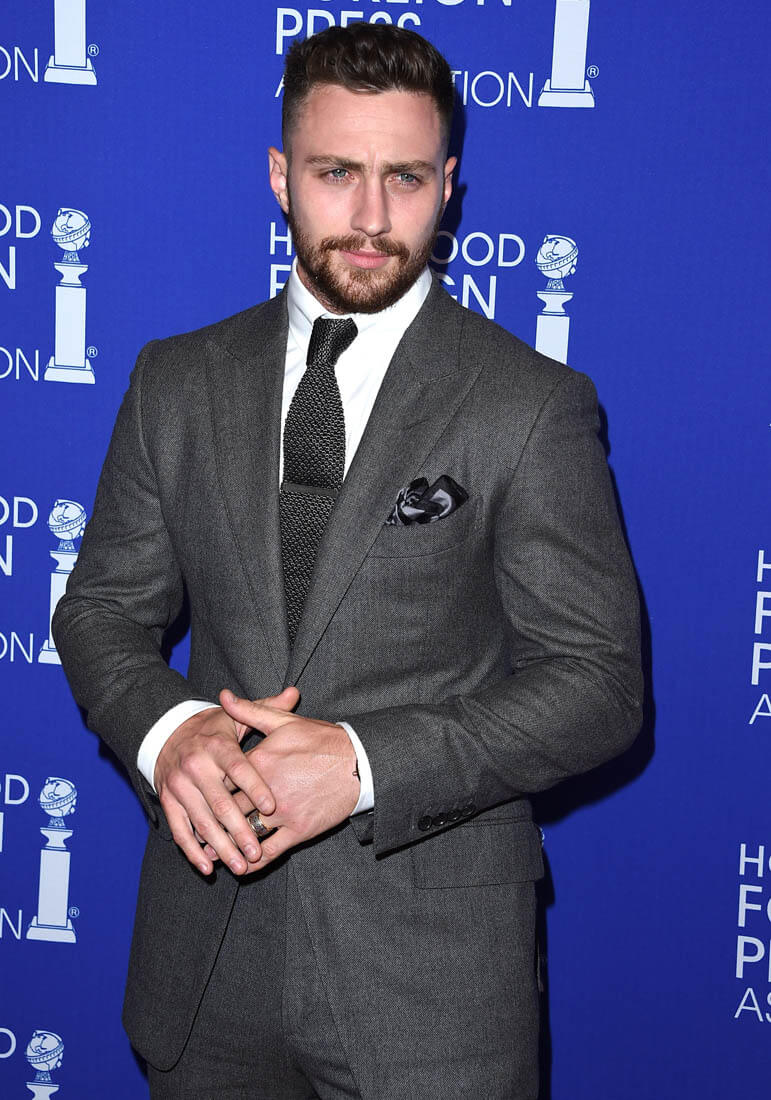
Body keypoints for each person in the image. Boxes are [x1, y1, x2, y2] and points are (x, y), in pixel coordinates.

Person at [53, 22, 642, 1100]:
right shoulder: (175, 380)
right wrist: (170, 732)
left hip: (431, 982)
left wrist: (365, 763)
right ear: (282, 176)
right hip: (206, 955)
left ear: (448, 187)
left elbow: (600, 684)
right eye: (335, 173)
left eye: (404, 178)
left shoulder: (528, 406)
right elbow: (99, 610)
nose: (371, 218)